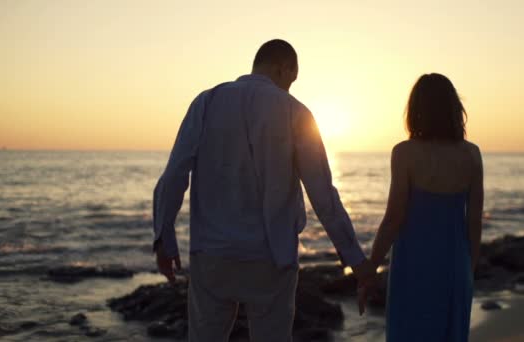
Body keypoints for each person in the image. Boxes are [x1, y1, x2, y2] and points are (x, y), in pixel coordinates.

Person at [152, 39, 376, 342]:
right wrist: (355, 259)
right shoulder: (296, 112)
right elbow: (323, 194)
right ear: (284, 68)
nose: (289, 88)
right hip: (272, 257)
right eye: (291, 80)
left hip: (212, 255)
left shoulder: (206, 101)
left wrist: (163, 238)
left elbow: (174, 175)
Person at [358, 73, 483, 341]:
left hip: (414, 269)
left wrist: (370, 269)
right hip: (455, 268)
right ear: (453, 108)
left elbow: (393, 219)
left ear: (416, 110)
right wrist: (467, 272)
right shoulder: (471, 154)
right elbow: (474, 223)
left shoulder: (405, 153)